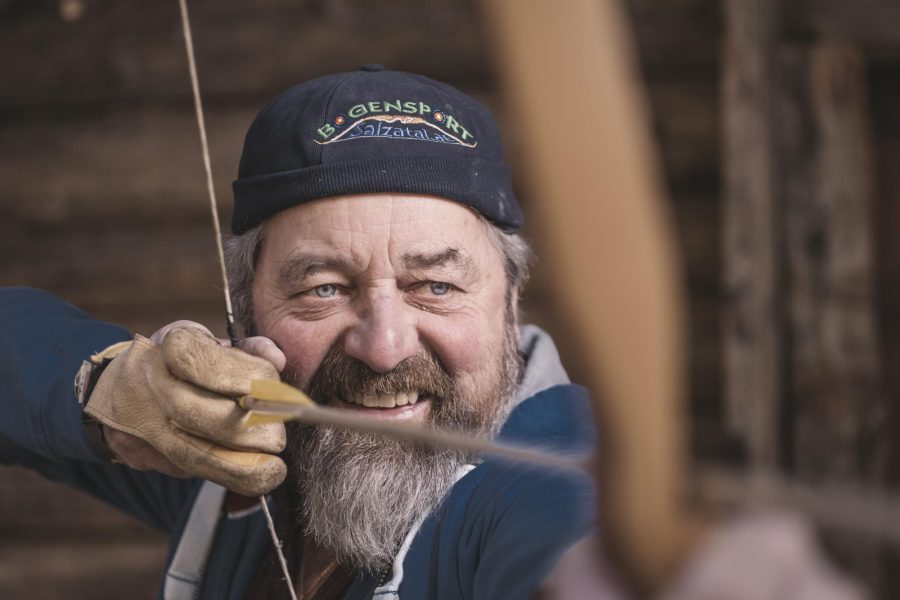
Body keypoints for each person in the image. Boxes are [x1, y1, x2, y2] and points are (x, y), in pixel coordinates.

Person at [0, 66, 596, 599]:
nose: (384, 349)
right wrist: (105, 389)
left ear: (510, 299)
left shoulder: (559, 477)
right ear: (246, 308)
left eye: (435, 287)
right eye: (324, 290)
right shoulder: (242, 445)